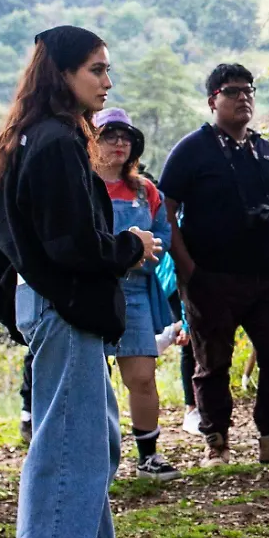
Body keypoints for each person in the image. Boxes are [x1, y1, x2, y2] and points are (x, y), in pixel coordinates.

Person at [0, 26, 163, 538]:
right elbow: (69, 244)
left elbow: (9, 228)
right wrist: (129, 246)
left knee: (95, 436)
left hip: (56, 301)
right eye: (96, 69)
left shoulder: (33, 136)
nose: (106, 81)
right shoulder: (56, 140)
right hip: (65, 303)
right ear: (62, 72)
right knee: (66, 446)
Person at [160, 63, 269, 466]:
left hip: (268, 278)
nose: (243, 97)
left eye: (248, 90)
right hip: (211, 276)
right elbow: (165, 210)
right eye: (232, 91)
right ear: (213, 99)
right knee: (212, 361)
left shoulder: (265, 150)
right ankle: (217, 443)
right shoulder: (191, 149)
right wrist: (187, 268)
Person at [88, 107, 179, 478]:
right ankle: (95, 459)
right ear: (92, 141)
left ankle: (148, 455)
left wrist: (144, 256)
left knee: (141, 375)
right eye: (109, 135)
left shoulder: (146, 191)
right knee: (91, 378)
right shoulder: (78, 185)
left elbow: (164, 238)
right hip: (90, 291)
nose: (119, 143)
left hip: (136, 291)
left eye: (126, 137)